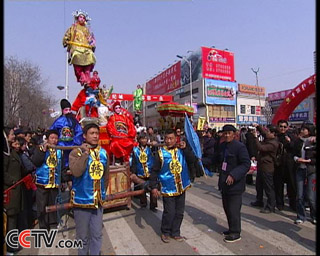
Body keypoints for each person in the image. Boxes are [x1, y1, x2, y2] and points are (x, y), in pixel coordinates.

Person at [69, 123, 110, 255]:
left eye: (97, 133)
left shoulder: (103, 153)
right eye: (91, 133)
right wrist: (85, 154)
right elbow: (76, 172)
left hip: (97, 202)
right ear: (85, 136)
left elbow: (106, 176)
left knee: (97, 234)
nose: (95, 136)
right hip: (82, 201)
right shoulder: (76, 152)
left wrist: (102, 192)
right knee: (82, 236)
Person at [149, 129, 194, 243]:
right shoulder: (160, 154)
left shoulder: (182, 151)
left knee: (179, 212)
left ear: (176, 139)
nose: (169, 141)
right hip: (168, 187)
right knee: (169, 212)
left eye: (171, 138)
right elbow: (154, 171)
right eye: (167, 138)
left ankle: (176, 232)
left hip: (182, 186)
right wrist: (154, 187)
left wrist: (186, 149)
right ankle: (165, 232)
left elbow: (192, 160)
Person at [217, 125, 250, 243]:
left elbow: (246, 164)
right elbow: (216, 160)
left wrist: (234, 175)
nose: (226, 135)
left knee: (233, 209)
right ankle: (231, 229)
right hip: (224, 183)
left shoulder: (240, 147)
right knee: (227, 208)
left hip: (235, 185)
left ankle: (236, 232)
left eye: (229, 133)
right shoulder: (222, 146)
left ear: (234, 134)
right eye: (224, 133)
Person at [31, 130, 65, 230]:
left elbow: (61, 167)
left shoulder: (59, 151)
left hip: (54, 182)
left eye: (56, 138)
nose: (54, 140)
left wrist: (63, 181)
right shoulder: (40, 148)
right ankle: (43, 225)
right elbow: (36, 162)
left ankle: (53, 223)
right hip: (43, 182)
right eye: (52, 138)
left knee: (54, 203)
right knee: (42, 205)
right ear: (47, 139)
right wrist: (43, 151)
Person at [63, 9, 96, 86]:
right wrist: (66, 41)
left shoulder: (87, 29)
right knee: (77, 58)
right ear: (77, 18)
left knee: (90, 57)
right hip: (76, 47)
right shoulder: (73, 28)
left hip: (86, 48)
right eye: (80, 17)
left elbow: (90, 39)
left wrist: (92, 44)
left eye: (83, 17)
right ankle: (82, 78)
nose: (82, 19)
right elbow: (67, 35)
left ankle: (88, 79)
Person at [3, 127, 23, 254]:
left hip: (16, 190)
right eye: (11, 134)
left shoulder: (12, 151)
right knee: (10, 219)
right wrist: (12, 181)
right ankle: (9, 247)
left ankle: (12, 243)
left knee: (14, 218)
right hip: (9, 190)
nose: (13, 136)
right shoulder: (5, 153)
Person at [252, 124, 279, 214]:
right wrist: (258, 126)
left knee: (268, 188)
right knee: (258, 185)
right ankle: (259, 201)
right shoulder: (269, 139)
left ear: (273, 133)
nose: (266, 132)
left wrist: (255, 138)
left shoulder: (273, 143)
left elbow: (261, 148)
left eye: (268, 131)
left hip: (267, 167)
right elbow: (263, 132)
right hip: (261, 166)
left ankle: (270, 206)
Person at [292, 123, 316, 224]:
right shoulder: (298, 141)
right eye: (302, 129)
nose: (302, 131)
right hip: (300, 170)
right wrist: (297, 159)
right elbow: (294, 154)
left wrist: (308, 161)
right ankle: (300, 216)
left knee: (311, 196)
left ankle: (314, 215)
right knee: (299, 195)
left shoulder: (314, 141)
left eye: (304, 129)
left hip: (311, 170)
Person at [50, 99, 83, 168]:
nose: (68, 112)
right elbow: (52, 132)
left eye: (69, 110)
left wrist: (76, 143)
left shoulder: (74, 121)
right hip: (60, 147)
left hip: (72, 147)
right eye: (66, 110)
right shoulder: (58, 121)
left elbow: (79, 132)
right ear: (62, 110)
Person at [130, 132, 157, 211]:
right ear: (139, 140)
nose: (144, 140)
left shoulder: (151, 148)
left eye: (145, 138)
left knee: (153, 189)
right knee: (142, 190)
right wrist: (133, 172)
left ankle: (153, 206)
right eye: (142, 138)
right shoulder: (135, 150)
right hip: (140, 172)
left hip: (150, 172)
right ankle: (143, 204)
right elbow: (134, 162)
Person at [275, 119, 296, 211]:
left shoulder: (291, 136)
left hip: (290, 164)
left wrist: (289, 142)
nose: (282, 128)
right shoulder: (275, 136)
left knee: (291, 185)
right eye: (281, 126)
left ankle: (293, 204)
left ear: (287, 127)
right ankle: (279, 203)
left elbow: (294, 148)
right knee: (278, 185)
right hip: (278, 164)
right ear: (277, 127)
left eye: (284, 127)